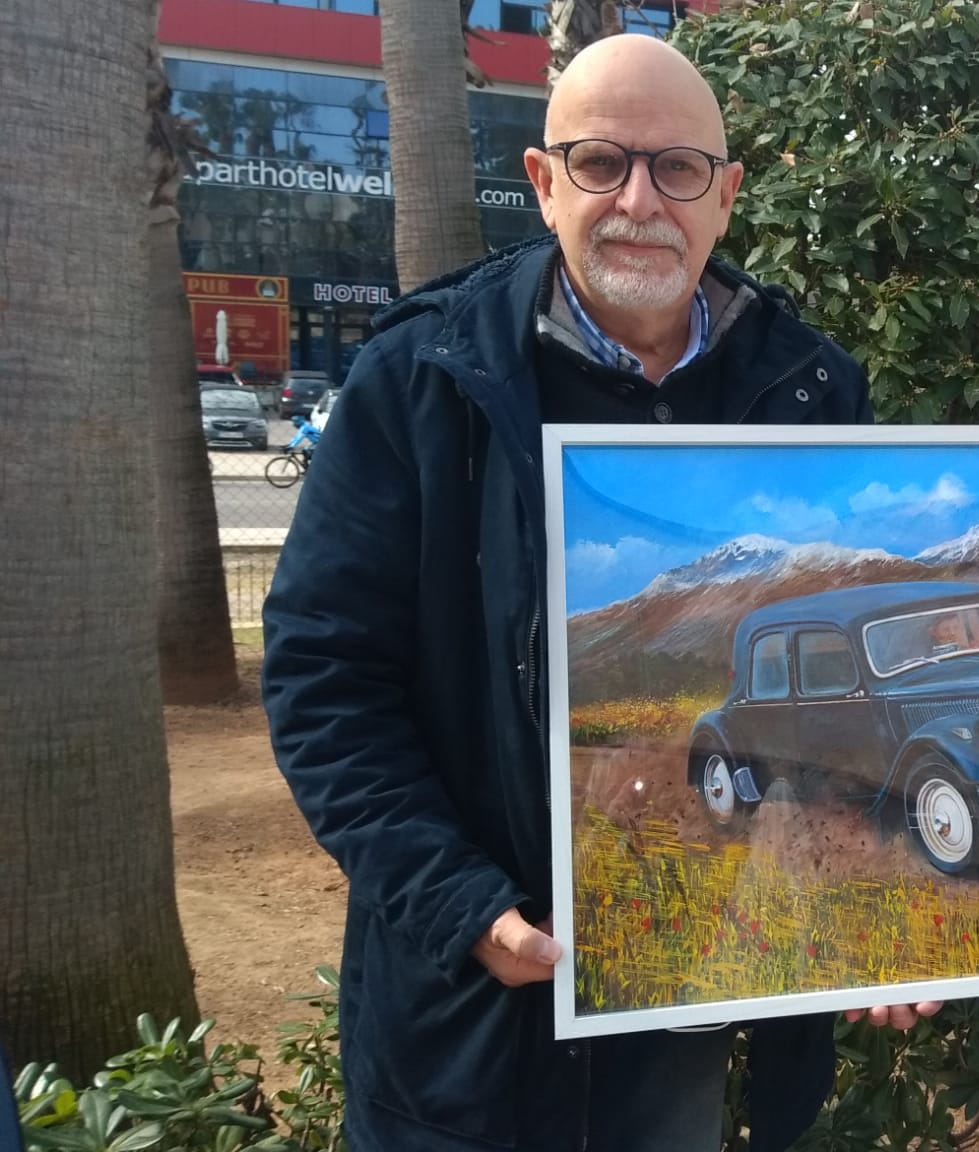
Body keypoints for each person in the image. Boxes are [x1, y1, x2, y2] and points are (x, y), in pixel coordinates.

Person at [262, 35, 933, 1152]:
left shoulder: (807, 388)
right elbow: (324, 675)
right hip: (470, 1007)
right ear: (541, 182)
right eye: (599, 163)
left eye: (676, 170)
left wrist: (881, 931)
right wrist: (456, 905)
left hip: (686, 998)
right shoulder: (421, 377)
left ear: (723, 196)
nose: (638, 202)